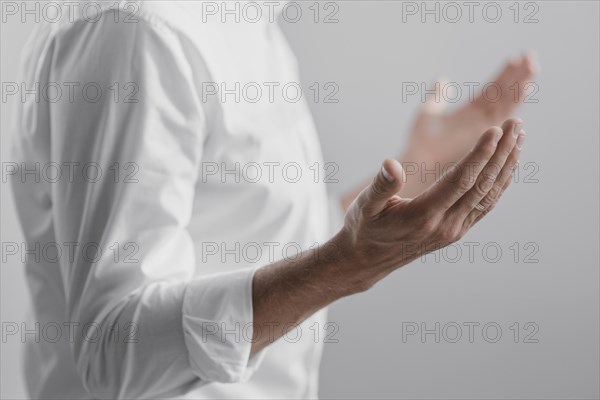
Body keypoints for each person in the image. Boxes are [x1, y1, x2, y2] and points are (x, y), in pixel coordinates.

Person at [9, 1, 535, 398]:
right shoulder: (139, 33)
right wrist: (344, 268)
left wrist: (417, 165)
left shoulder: (248, 22)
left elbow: (254, 237)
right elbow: (111, 351)